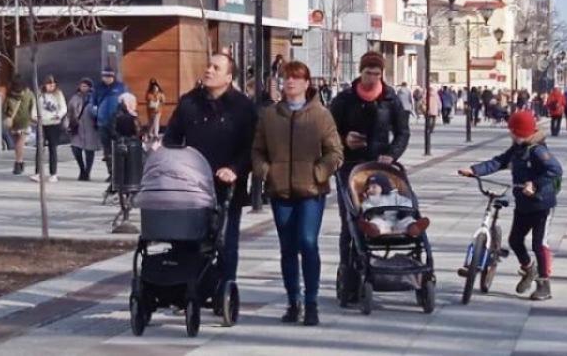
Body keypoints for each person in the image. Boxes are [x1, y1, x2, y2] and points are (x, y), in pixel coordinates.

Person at [251, 60, 342, 326]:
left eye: (295, 78)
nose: (289, 82)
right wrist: (265, 171)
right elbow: (257, 150)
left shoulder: (320, 115)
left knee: (308, 242)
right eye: (286, 78)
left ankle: (311, 302)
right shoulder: (270, 116)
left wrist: (319, 173)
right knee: (288, 248)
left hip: (311, 191)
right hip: (281, 191)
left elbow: (335, 153)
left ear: (306, 83)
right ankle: (294, 301)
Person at [164, 53, 257, 288]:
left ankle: (224, 289)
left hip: (226, 187)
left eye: (216, 68)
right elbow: (172, 138)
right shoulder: (189, 102)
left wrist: (235, 169)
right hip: (191, 186)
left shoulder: (242, 107)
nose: (209, 70)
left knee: (225, 241)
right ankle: (189, 287)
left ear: (228, 77)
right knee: (187, 240)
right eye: (208, 66)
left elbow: (252, 147)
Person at [328, 51, 410, 304]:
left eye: (376, 73)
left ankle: (377, 268)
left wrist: (392, 154)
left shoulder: (390, 99)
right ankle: (350, 277)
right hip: (350, 168)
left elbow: (402, 132)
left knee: (381, 213)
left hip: (379, 167)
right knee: (351, 221)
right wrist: (344, 140)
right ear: (360, 72)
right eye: (368, 73)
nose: (372, 78)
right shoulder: (345, 99)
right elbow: (329, 132)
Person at [458, 110, 562, 301]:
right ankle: (529, 268)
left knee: (539, 243)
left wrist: (535, 184)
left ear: (521, 132)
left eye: (512, 131)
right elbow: (498, 162)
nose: (510, 134)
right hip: (523, 204)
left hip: (542, 205)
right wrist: (474, 170)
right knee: (515, 240)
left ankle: (544, 284)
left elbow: (555, 169)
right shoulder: (517, 148)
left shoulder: (538, 151)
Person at [358, 174, 428, 237]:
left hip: (398, 219)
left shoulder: (394, 196)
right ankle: (374, 229)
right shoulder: (370, 200)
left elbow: (405, 202)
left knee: (408, 220)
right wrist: (373, 211)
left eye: (374, 187)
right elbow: (366, 207)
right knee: (376, 222)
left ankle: (413, 228)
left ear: (383, 187)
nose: (370, 190)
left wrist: (405, 212)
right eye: (368, 188)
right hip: (382, 221)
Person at [93, 69, 128, 183]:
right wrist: (96, 115)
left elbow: (127, 102)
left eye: (109, 77)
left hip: (117, 123)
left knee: (118, 148)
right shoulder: (98, 88)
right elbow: (93, 104)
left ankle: (120, 173)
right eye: (105, 76)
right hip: (103, 123)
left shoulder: (121, 87)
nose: (107, 79)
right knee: (107, 150)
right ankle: (111, 173)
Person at [67, 78, 101, 181]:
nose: (83, 88)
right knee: (75, 148)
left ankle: (87, 172)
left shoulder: (95, 98)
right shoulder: (75, 98)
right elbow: (69, 112)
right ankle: (82, 168)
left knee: (89, 151)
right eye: (82, 86)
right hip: (77, 127)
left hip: (91, 127)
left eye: (86, 86)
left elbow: (98, 111)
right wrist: (68, 124)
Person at [2, 77, 36, 176]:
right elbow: (33, 107)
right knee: (18, 144)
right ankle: (19, 162)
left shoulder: (10, 95)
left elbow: (4, 109)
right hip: (20, 122)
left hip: (18, 123)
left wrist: (7, 117)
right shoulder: (28, 94)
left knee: (18, 143)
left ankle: (18, 163)